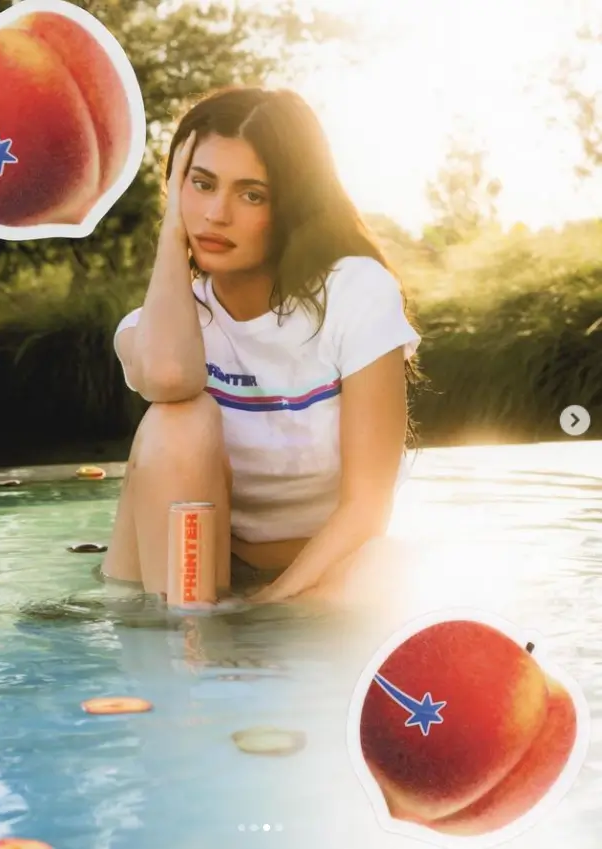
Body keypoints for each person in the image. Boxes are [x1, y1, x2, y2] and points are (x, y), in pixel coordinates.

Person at [102, 86, 423, 605]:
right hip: (186, 574)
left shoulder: (354, 292)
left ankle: (211, 633)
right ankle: (179, 643)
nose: (216, 214)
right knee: (177, 417)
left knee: (384, 573)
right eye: (200, 184)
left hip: (316, 572)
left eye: (251, 194)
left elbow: (367, 506)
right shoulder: (160, 327)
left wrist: (271, 605)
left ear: (292, 204)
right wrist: (171, 233)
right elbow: (167, 377)